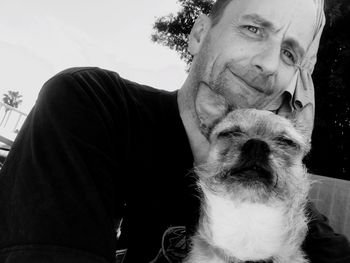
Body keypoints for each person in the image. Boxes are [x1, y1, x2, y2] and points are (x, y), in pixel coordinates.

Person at [0, 0, 349, 262]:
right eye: (253, 29)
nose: (269, 65)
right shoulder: (94, 105)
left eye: (289, 53)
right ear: (199, 34)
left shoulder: (282, 193)